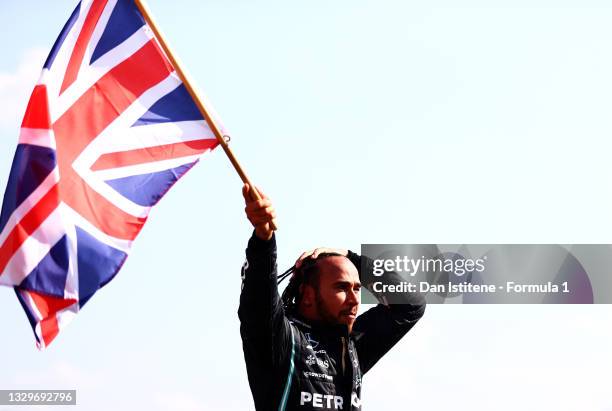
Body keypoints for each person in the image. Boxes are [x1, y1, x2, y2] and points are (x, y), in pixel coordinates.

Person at [238, 184, 425, 411]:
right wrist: (264, 237)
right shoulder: (281, 340)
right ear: (307, 295)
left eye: (357, 288)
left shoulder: (353, 343)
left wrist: (350, 258)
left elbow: (411, 303)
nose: (355, 299)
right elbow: (258, 299)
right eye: (341, 288)